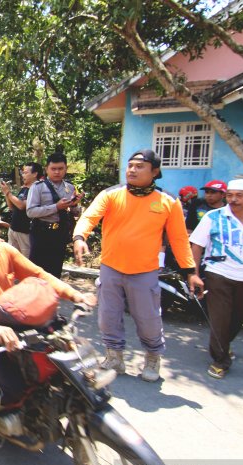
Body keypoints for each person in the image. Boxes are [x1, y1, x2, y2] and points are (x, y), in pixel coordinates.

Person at [0, 206, 96, 448]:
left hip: (12, 319)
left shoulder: (5, 250)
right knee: (12, 382)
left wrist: (75, 295)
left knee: (52, 360)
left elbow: (38, 274)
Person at [73, 149, 202, 382]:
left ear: (155, 172)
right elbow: (90, 217)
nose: (132, 169)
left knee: (148, 319)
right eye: (130, 165)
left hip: (145, 272)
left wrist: (190, 272)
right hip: (111, 267)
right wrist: (80, 237)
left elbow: (179, 239)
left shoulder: (168, 201)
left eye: (139, 166)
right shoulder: (111, 194)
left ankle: (153, 358)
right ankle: (114, 357)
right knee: (108, 316)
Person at [189, 179, 243, 379]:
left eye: (239, 195)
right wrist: (194, 273)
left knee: (236, 319)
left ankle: (224, 345)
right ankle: (220, 360)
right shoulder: (214, 217)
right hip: (219, 274)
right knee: (220, 319)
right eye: (230, 195)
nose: (233, 200)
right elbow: (197, 245)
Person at [26, 152, 82, 277]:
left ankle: (53, 296)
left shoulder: (70, 187)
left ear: (66, 169)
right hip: (41, 233)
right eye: (53, 169)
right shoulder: (38, 187)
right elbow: (30, 212)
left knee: (55, 271)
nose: (57, 172)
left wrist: (74, 205)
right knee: (38, 272)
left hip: (59, 234)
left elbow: (75, 212)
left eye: (60, 169)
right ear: (47, 169)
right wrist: (56, 207)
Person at [0, 162, 42, 258]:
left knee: (26, 260)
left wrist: (8, 193)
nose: (23, 175)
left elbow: (22, 206)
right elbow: (11, 206)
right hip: (14, 229)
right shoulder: (24, 188)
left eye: (26, 173)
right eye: (23, 173)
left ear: (35, 174)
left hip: (25, 231)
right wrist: (6, 193)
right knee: (11, 259)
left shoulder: (36, 189)